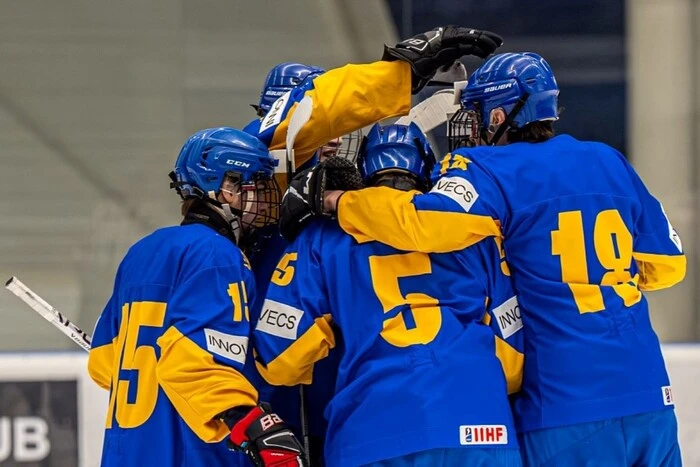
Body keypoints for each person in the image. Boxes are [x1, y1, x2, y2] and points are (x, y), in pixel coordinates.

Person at [284, 52, 686, 466]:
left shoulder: (488, 168)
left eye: (475, 113)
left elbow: (422, 223)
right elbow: (667, 266)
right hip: (649, 392)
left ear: (498, 117)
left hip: (564, 402)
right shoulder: (608, 160)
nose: (470, 126)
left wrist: (337, 201)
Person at [256, 123, 524, 467]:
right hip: (480, 427)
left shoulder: (322, 237)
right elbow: (512, 364)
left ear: (362, 172)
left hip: (372, 431)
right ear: (427, 169)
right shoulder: (475, 231)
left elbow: (281, 360)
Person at [87, 127, 306, 467]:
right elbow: (193, 363)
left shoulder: (141, 252)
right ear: (226, 190)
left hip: (128, 451)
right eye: (256, 187)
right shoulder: (217, 254)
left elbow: (102, 364)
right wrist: (251, 425)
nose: (266, 200)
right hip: (190, 451)